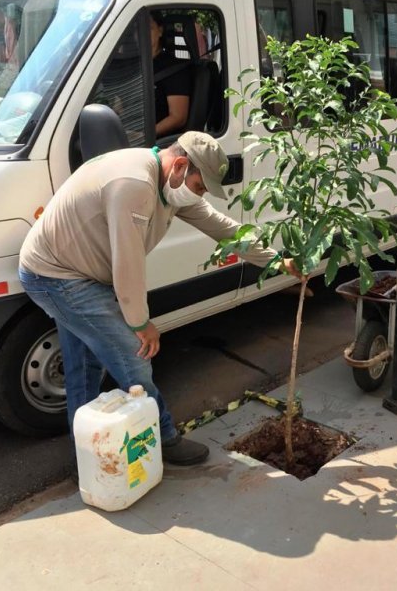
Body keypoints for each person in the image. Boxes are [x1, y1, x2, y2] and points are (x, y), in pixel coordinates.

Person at [19, 132, 301, 465]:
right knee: (134, 354)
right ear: (180, 165)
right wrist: (141, 323)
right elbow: (128, 263)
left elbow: (222, 227)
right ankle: (165, 437)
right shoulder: (135, 184)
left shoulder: (167, 183)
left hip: (75, 271)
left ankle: (86, 453)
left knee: (85, 363)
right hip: (57, 276)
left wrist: (275, 260)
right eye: (199, 187)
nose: (198, 195)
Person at [151, 13, 192, 137]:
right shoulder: (134, 66)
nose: (141, 34)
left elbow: (178, 118)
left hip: (156, 141)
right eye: (137, 30)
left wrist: (144, 136)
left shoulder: (173, 68)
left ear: (160, 31)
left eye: (149, 28)